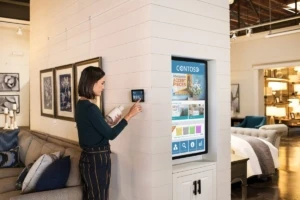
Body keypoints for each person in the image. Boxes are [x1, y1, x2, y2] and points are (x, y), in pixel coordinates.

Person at [75, 66, 142, 200]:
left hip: (87, 158)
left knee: (91, 196)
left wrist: (108, 122)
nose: (103, 87)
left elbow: (92, 130)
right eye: (102, 83)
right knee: (99, 197)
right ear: (92, 83)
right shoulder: (91, 108)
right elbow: (111, 135)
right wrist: (129, 115)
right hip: (97, 160)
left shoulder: (80, 105)